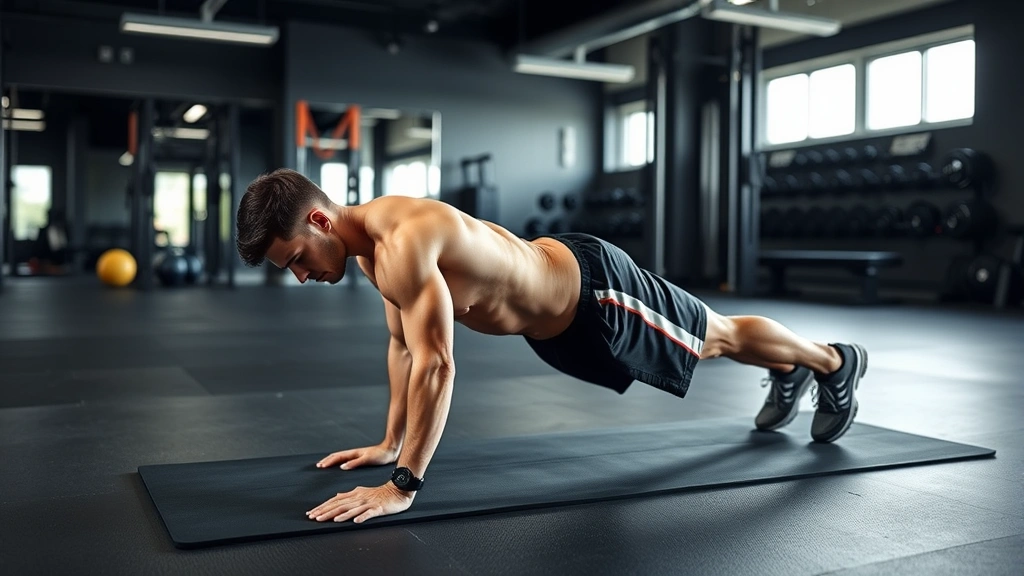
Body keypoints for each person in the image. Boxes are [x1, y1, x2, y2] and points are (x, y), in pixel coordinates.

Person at [235, 168, 868, 525]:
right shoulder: (371, 254)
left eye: (297, 260)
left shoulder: (402, 240)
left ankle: (833, 362)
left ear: (319, 221)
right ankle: (791, 370)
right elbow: (402, 347)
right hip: (557, 330)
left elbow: (438, 363)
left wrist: (403, 484)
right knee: (712, 342)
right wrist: (389, 442)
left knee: (715, 338)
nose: (302, 276)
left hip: (597, 294)